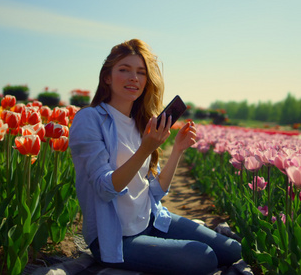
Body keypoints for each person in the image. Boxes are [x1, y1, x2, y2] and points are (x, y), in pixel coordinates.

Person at [69, 39, 241, 274]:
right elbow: (103, 189)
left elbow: (155, 191)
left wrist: (177, 150)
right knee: (204, 259)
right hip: (117, 238)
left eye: (141, 72)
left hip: (152, 221)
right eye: (124, 70)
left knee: (232, 250)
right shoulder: (90, 119)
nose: (134, 78)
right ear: (107, 77)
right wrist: (144, 150)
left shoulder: (141, 123)